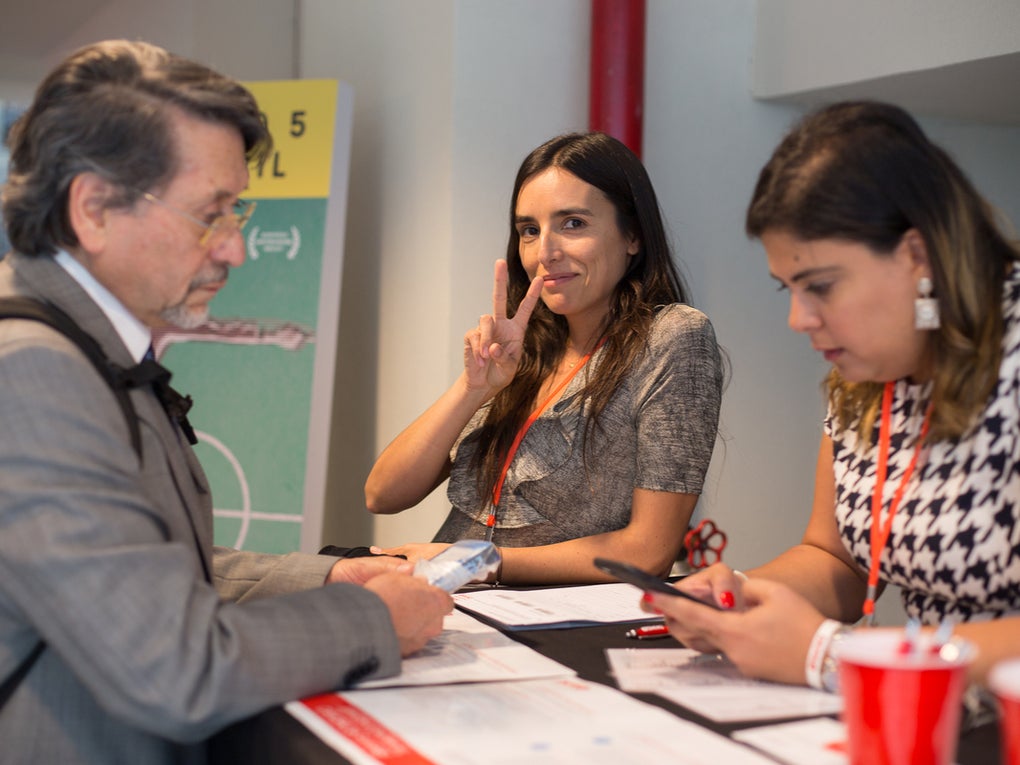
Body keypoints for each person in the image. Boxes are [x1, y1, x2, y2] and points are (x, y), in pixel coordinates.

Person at [0, 39, 451, 764]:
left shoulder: (83, 347)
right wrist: (369, 619)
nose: (235, 249)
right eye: (211, 213)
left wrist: (324, 575)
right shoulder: (32, 373)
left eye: (237, 210)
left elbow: (141, 568)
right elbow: (172, 665)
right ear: (92, 208)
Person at [646, 101, 1020, 689]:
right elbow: (836, 560)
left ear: (917, 255)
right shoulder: (867, 376)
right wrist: (741, 597)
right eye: (789, 288)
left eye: (821, 286)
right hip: (925, 718)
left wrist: (836, 653)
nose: (799, 319)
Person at [365, 131, 724, 585]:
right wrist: (473, 388)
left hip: (543, 626)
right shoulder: (524, 347)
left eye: (573, 223)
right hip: (452, 601)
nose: (545, 254)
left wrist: (477, 560)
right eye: (529, 231)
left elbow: (648, 551)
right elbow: (383, 494)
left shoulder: (672, 337)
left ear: (632, 235)